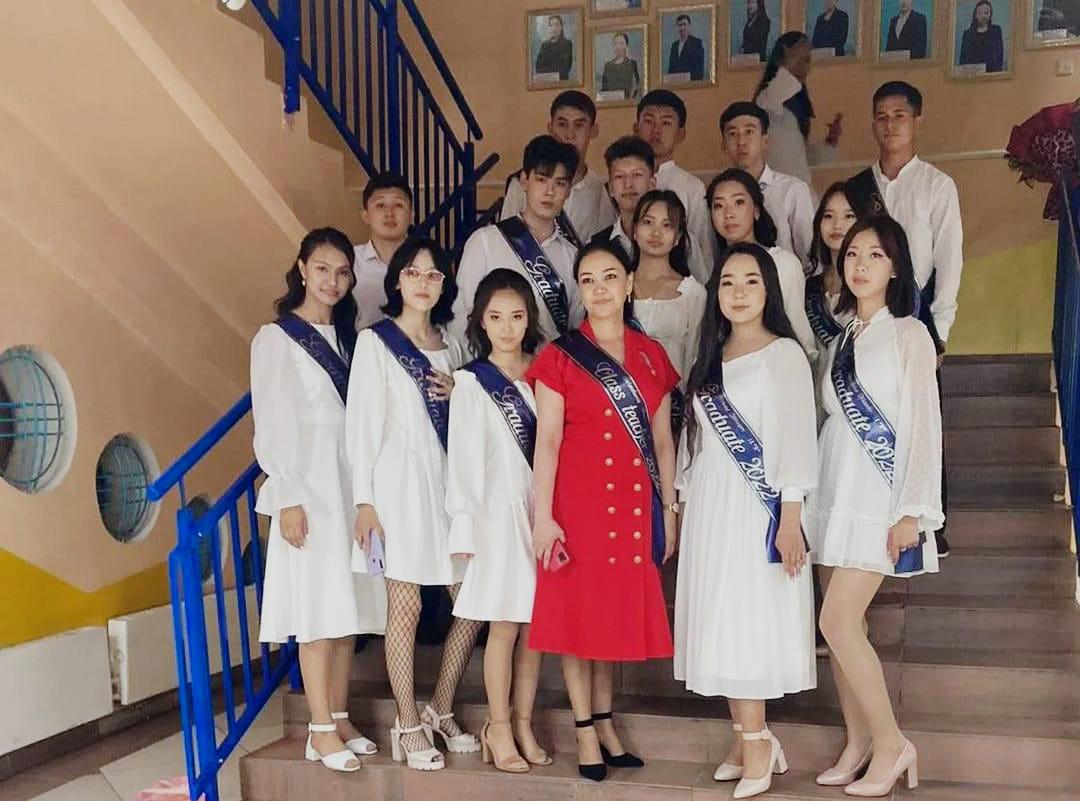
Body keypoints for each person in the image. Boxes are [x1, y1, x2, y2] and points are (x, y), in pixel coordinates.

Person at [528, 241, 680, 782]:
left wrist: (669, 508)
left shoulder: (651, 354)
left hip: (634, 506)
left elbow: (663, 441)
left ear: (629, 283)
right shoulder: (560, 356)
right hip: (578, 506)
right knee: (578, 620)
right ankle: (584, 730)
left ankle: (607, 724)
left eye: (610, 276)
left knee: (609, 618)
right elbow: (547, 442)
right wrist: (543, 516)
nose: (599, 288)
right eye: (588, 279)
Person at [804, 215, 942, 797]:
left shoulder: (909, 334)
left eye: (876, 255)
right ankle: (858, 740)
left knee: (834, 620)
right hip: (833, 487)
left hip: (878, 494)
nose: (860, 264)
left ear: (896, 268)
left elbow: (923, 425)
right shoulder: (839, 339)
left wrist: (911, 510)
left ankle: (891, 743)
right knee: (846, 627)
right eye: (853, 254)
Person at [674, 242, 817, 799]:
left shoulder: (783, 354)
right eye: (728, 282)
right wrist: (684, 502)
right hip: (712, 505)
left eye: (750, 281)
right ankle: (744, 739)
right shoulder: (710, 356)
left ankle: (759, 744)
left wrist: (790, 516)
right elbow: (694, 441)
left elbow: (797, 437)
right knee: (720, 617)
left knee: (748, 620)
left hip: (759, 507)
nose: (738, 292)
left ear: (768, 291)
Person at [252, 228, 386, 773]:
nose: (333, 281)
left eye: (343, 272)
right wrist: (286, 495)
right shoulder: (277, 338)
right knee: (316, 607)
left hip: (350, 485)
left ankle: (339, 714)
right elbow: (273, 418)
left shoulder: (352, 339)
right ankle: (319, 729)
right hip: (308, 488)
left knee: (346, 604)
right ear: (302, 268)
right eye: (323, 268)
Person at [346, 238, 480, 771]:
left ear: (445, 284)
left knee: (471, 601)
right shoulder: (375, 343)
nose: (423, 282)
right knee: (406, 606)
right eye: (413, 272)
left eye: (433, 274)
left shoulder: (454, 346)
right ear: (396, 280)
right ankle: (406, 722)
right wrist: (364, 501)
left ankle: (439, 708)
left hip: (450, 489)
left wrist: (461, 392)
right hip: (397, 488)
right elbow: (362, 425)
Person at [846, 81, 963, 557]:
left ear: (917, 120)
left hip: (916, 313)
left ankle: (931, 520)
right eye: (881, 116)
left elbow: (949, 260)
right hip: (865, 312)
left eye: (899, 115)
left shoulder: (937, 185)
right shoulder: (858, 189)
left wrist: (940, 332)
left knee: (923, 417)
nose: (890, 124)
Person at [447, 269, 552, 774]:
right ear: (481, 322)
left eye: (516, 316)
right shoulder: (471, 382)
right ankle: (499, 725)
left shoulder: (547, 371)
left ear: (529, 319)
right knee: (504, 625)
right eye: (496, 317)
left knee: (535, 627)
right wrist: (464, 528)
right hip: (496, 517)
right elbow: (464, 462)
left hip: (543, 512)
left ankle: (525, 723)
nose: (507, 327)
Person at [460, 135, 582, 346]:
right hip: (492, 365)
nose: (550, 192)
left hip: (550, 366)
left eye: (560, 183)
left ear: (569, 190)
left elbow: (575, 327)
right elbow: (462, 315)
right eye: (541, 180)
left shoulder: (573, 257)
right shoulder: (485, 242)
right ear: (524, 180)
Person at [707, 168, 816, 358]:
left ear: (756, 210)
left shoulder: (783, 263)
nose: (729, 213)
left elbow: (799, 331)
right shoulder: (716, 269)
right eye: (719, 206)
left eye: (738, 202)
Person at [501, 92, 615, 245]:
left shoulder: (598, 189)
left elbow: (605, 245)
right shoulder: (522, 184)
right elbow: (504, 240)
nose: (570, 135)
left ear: (593, 131)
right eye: (562, 124)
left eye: (579, 125)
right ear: (550, 128)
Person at [629, 190, 707, 405]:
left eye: (667, 225)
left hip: (675, 407)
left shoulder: (692, 293)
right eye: (648, 222)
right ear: (634, 230)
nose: (656, 233)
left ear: (678, 237)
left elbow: (696, 358)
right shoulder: (616, 286)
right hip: (624, 410)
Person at [720, 102, 817, 270]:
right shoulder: (718, 196)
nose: (741, 141)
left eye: (749, 132)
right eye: (732, 134)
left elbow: (810, 257)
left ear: (765, 140)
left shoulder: (792, 190)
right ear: (723, 145)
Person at [634, 89, 715, 281]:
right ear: (636, 128)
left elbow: (704, 251)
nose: (656, 130)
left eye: (666, 123)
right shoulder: (622, 181)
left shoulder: (692, 187)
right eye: (649, 121)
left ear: (680, 134)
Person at [753, 33, 844, 187]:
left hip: (799, 191)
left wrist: (829, 143)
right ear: (784, 56)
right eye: (800, 60)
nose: (806, 69)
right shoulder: (767, 99)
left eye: (807, 61)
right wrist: (787, 63)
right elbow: (781, 89)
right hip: (775, 192)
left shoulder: (796, 105)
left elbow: (801, 157)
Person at [806, 182, 859, 362]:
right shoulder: (810, 288)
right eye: (828, 216)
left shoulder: (874, 285)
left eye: (849, 216)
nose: (837, 225)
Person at [354, 172, 411, 330]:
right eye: (380, 205)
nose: (389, 213)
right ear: (365, 215)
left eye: (398, 205)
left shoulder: (426, 263)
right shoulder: (350, 262)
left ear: (411, 215)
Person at [592, 135, 657, 258]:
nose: (628, 184)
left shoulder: (671, 240)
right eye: (619, 176)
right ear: (611, 189)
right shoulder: (596, 246)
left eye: (637, 175)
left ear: (652, 184)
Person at [959, 1, 1004, 73]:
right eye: (979, 13)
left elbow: (999, 56)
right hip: (972, 74)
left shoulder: (996, 31)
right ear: (975, 15)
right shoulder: (968, 34)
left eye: (986, 13)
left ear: (990, 14)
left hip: (992, 73)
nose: (983, 16)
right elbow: (962, 59)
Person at [600, 32, 642, 100]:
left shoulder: (632, 64)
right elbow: (604, 90)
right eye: (615, 44)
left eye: (621, 43)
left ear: (626, 46)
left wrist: (631, 99)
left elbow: (637, 86)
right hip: (610, 102)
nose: (618, 47)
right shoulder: (608, 66)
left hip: (628, 102)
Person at [667, 13, 706, 80]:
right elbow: (671, 69)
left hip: (692, 83)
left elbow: (699, 70)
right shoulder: (674, 46)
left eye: (684, 24)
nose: (682, 28)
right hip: (675, 83)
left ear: (689, 26)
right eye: (679, 25)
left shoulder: (697, 43)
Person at [535, 14, 573, 80]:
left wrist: (548, 71)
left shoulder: (567, 44)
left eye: (556, 25)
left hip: (561, 82)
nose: (554, 28)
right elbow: (538, 68)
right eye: (551, 25)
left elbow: (564, 69)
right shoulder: (544, 45)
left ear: (561, 27)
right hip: (546, 82)